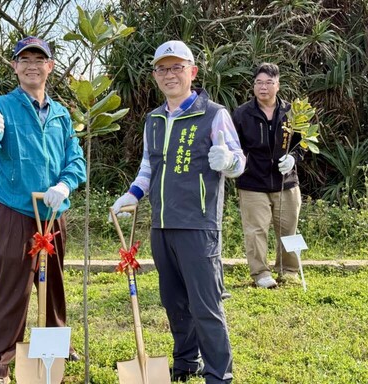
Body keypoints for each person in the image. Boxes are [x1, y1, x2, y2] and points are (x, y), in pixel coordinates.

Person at [111, 40, 245, 384]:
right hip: (162, 225)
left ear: (192, 72)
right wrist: (132, 194)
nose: (169, 75)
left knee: (206, 306)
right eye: (162, 69)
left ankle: (219, 375)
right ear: (155, 75)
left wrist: (228, 161)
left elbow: (238, 161)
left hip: (199, 226)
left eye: (177, 67)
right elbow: (148, 167)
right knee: (173, 302)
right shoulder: (153, 119)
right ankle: (187, 362)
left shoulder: (214, 114)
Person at [0, 36, 86, 384]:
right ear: (15, 66)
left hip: (52, 214)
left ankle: (53, 348)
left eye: (40, 59)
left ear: (50, 67)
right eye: (25, 59)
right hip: (16, 212)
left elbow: (75, 159)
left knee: (52, 286)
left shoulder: (62, 113)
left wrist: (64, 184)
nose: (32, 65)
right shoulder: (1, 106)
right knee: (12, 289)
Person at [232, 63, 304, 288]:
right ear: (253, 86)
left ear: (278, 85)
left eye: (269, 83)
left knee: (289, 227)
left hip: (286, 181)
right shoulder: (242, 114)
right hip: (253, 182)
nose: (263, 87)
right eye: (259, 83)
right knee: (256, 230)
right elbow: (234, 146)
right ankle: (261, 273)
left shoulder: (293, 112)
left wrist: (294, 157)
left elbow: (305, 142)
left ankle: (289, 269)